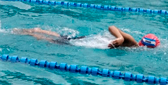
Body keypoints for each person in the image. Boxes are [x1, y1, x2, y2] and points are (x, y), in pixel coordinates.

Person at [13, 25, 159, 49]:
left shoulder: (135, 46)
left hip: (88, 39)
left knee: (62, 38)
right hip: (88, 41)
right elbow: (112, 27)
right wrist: (120, 39)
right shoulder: (133, 44)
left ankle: (36, 30)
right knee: (55, 41)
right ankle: (31, 33)